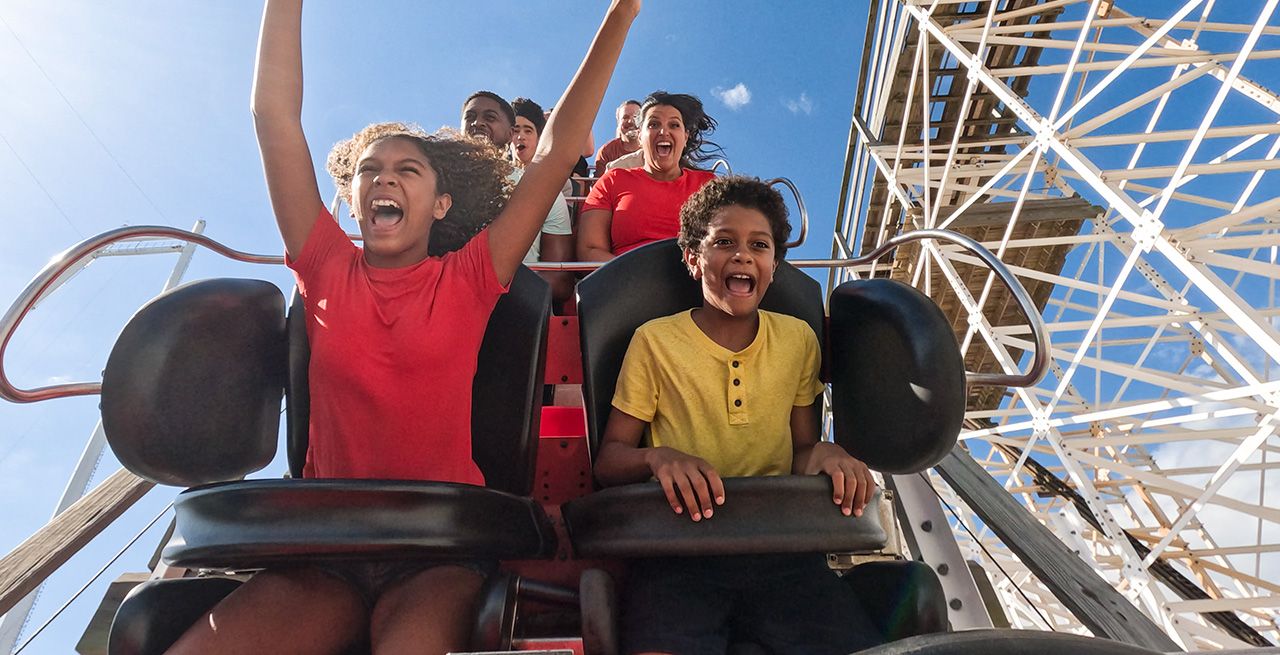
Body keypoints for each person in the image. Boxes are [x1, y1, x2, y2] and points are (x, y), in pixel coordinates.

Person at [164, 1, 637, 653]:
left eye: (406, 169)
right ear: (355, 199)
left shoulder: (470, 276)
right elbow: (273, 118)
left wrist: (623, 10)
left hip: (435, 551)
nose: (383, 175)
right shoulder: (325, 265)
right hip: (324, 551)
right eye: (369, 170)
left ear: (440, 204)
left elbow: (555, 154)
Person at [593, 176, 883, 655]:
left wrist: (827, 455)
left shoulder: (797, 340)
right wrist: (658, 459)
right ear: (693, 259)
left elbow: (801, 451)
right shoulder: (654, 341)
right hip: (679, 550)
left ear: (773, 265)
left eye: (759, 245)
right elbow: (609, 461)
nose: (743, 255)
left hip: (782, 548)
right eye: (723, 242)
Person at [577, 91, 718, 261]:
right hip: (625, 281)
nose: (663, 131)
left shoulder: (708, 185)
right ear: (639, 137)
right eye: (653, 124)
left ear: (685, 137)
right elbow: (589, 250)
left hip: (696, 282)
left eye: (674, 125)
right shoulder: (612, 180)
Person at [463, 93, 574, 305]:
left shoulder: (545, 190)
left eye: (490, 117)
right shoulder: (432, 184)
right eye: (470, 117)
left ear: (509, 133)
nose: (478, 123)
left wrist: (487, 289)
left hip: (515, 312)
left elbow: (560, 282)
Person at [511, 96, 574, 304]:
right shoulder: (473, 179)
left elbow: (561, 280)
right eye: (514, 130)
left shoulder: (550, 191)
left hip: (520, 300)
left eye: (528, 130)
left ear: (539, 138)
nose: (520, 137)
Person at [593, 99, 641, 176]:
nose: (631, 121)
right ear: (618, 122)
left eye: (636, 117)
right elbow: (600, 183)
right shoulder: (606, 151)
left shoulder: (652, 148)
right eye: (625, 117)